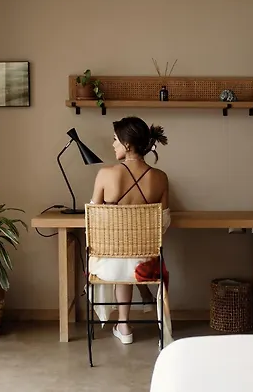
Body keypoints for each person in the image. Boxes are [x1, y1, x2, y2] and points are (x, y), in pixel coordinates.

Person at [88, 116, 173, 346]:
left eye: (115, 140)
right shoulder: (160, 178)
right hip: (146, 262)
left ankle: (124, 324)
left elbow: (95, 219)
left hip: (111, 262)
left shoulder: (105, 174)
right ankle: (145, 297)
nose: (112, 144)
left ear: (127, 145)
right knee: (131, 257)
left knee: (120, 257)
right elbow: (163, 222)